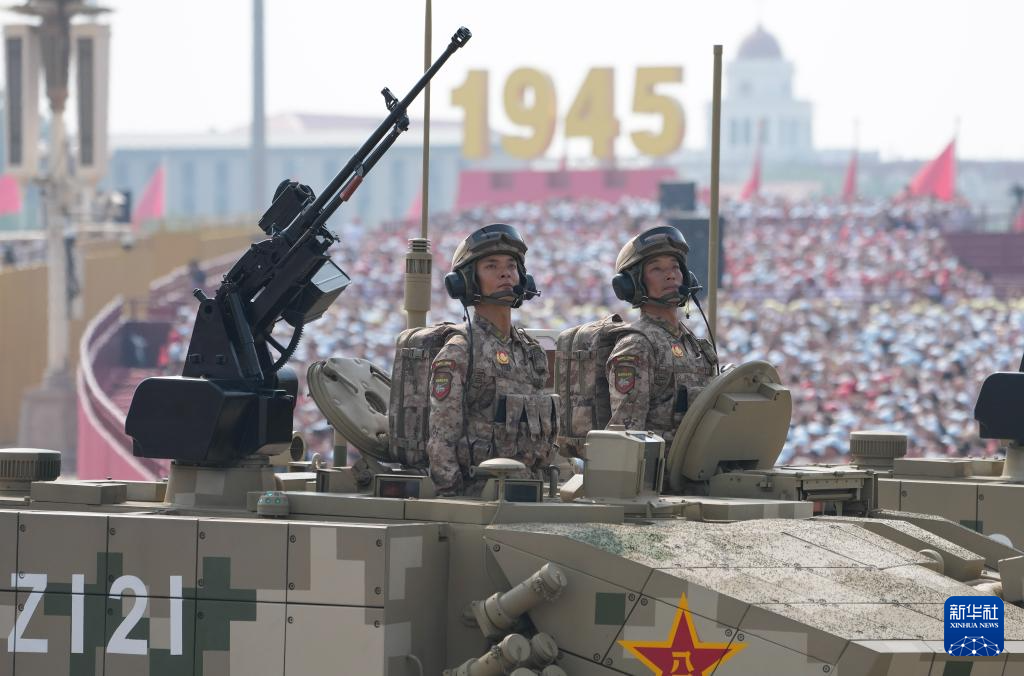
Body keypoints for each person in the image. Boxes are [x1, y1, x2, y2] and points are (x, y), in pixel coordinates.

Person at [427, 223, 558, 496]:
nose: (505, 273)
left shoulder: (531, 351)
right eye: (491, 266)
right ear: (468, 281)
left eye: (511, 266)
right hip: (480, 498)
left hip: (530, 491)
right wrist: (454, 502)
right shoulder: (460, 351)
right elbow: (441, 440)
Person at [606, 225, 719, 445]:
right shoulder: (637, 345)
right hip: (662, 467)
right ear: (634, 284)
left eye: (675, 267)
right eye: (656, 269)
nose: (670, 275)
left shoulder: (694, 344)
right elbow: (627, 436)